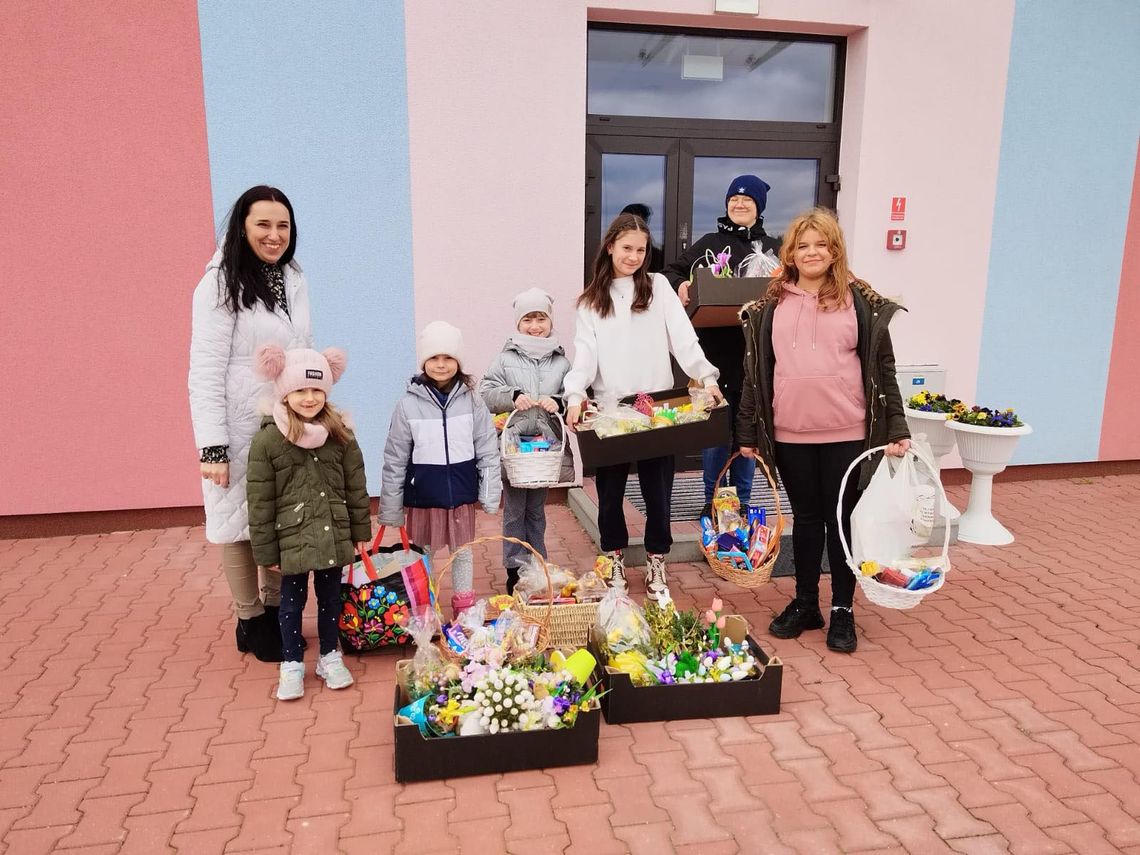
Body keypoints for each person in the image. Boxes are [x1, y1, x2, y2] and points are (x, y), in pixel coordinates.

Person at [736, 208, 911, 653]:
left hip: (847, 433)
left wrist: (896, 426)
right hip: (791, 433)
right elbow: (755, 375)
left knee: (841, 521)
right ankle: (806, 602)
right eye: (802, 245)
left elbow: (883, 369)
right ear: (790, 253)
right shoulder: (769, 307)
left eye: (821, 244)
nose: (811, 252)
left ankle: (843, 610)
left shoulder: (862, 302)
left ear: (835, 251)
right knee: (808, 521)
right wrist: (747, 433)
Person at [564, 213, 723, 599]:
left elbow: (683, 339)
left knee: (658, 491)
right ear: (610, 247)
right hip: (609, 408)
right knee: (611, 491)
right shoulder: (590, 302)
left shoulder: (658, 288)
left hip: (658, 407)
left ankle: (656, 561)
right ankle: (615, 558)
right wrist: (574, 393)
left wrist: (707, 375)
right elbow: (584, 355)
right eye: (627, 248)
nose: (634, 256)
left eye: (641, 249)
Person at [189, 185, 312, 662]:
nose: (274, 235)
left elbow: (302, 352)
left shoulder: (293, 278)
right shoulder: (220, 283)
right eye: (263, 224)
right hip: (238, 425)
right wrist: (213, 447)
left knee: (282, 518)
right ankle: (250, 620)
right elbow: (204, 370)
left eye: (282, 225)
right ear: (242, 226)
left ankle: (278, 610)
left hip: (285, 421)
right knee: (236, 521)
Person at [246, 346, 370, 700]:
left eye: (317, 390)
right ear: (285, 393)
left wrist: (361, 531)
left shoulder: (340, 434)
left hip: (333, 532)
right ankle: (292, 663)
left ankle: (329, 655)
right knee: (291, 602)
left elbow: (356, 485)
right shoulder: (268, 440)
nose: (309, 398)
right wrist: (264, 549)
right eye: (301, 390)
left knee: (331, 598)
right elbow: (260, 499)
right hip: (292, 538)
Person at [663, 175, 780, 516]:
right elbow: (672, 271)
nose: (739, 205)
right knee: (715, 429)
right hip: (714, 354)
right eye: (734, 200)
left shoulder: (773, 249)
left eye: (747, 201)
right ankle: (712, 499)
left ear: (759, 208)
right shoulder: (710, 243)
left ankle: (741, 502)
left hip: (755, 356)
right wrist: (683, 284)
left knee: (747, 431)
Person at [380, 321, 502, 616]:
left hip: (460, 494)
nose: (441, 364)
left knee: (462, 553)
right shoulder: (408, 405)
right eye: (434, 358)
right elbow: (395, 459)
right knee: (423, 555)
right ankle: (425, 608)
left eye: (448, 358)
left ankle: (464, 608)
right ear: (424, 362)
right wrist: (392, 509)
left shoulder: (473, 401)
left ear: (458, 362)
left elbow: (487, 448)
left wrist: (489, 494)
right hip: (424, 496)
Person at [478, 288, 573, 594]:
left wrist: (557, 402)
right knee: (515, 511)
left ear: (550, 321)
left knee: (537, 511)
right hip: (514, 447)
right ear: (518, 323)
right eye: (528, 319)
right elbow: (485, 391)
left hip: (544, 448)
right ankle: (514, 568)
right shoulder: (506, 357)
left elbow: (574, 396)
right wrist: (513, 396)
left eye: (541, 318)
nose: (535, 325)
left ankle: (538, 563)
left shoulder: (560, 360)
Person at [620, 204, 664, 273]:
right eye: (626, 248)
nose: (633, 258)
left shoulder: (657, 280)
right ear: (610, 247)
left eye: (640, 250)